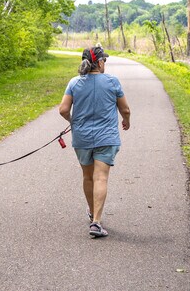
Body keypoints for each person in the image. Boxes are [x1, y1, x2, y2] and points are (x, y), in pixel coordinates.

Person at [58, 44, 131, 238]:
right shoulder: (112, 81)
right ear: (98, 62)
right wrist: (126, 121)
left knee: (88, 176)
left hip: (82, 138)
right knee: (101, 177)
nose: (104, 63)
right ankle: (97, 222)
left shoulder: (74, 83)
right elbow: (125, 110)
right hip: (106, 138)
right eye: (104, 60)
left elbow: (63, 110)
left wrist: (73, 122)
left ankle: (92, 214)